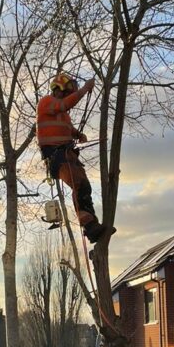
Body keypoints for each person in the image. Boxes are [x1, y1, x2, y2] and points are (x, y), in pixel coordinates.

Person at [36, 72, 111, 244]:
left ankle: (92, 226)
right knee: (78, 183)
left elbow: (68, 127)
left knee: (84, 186)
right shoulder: (47, 102)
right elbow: (63, 105)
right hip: (56, 156)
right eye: (67, 93)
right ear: (59, 89)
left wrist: (78, 134)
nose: (69, 97)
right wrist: (85, 89)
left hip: (67, 154)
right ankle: (89, 225)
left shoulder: (63, 114)